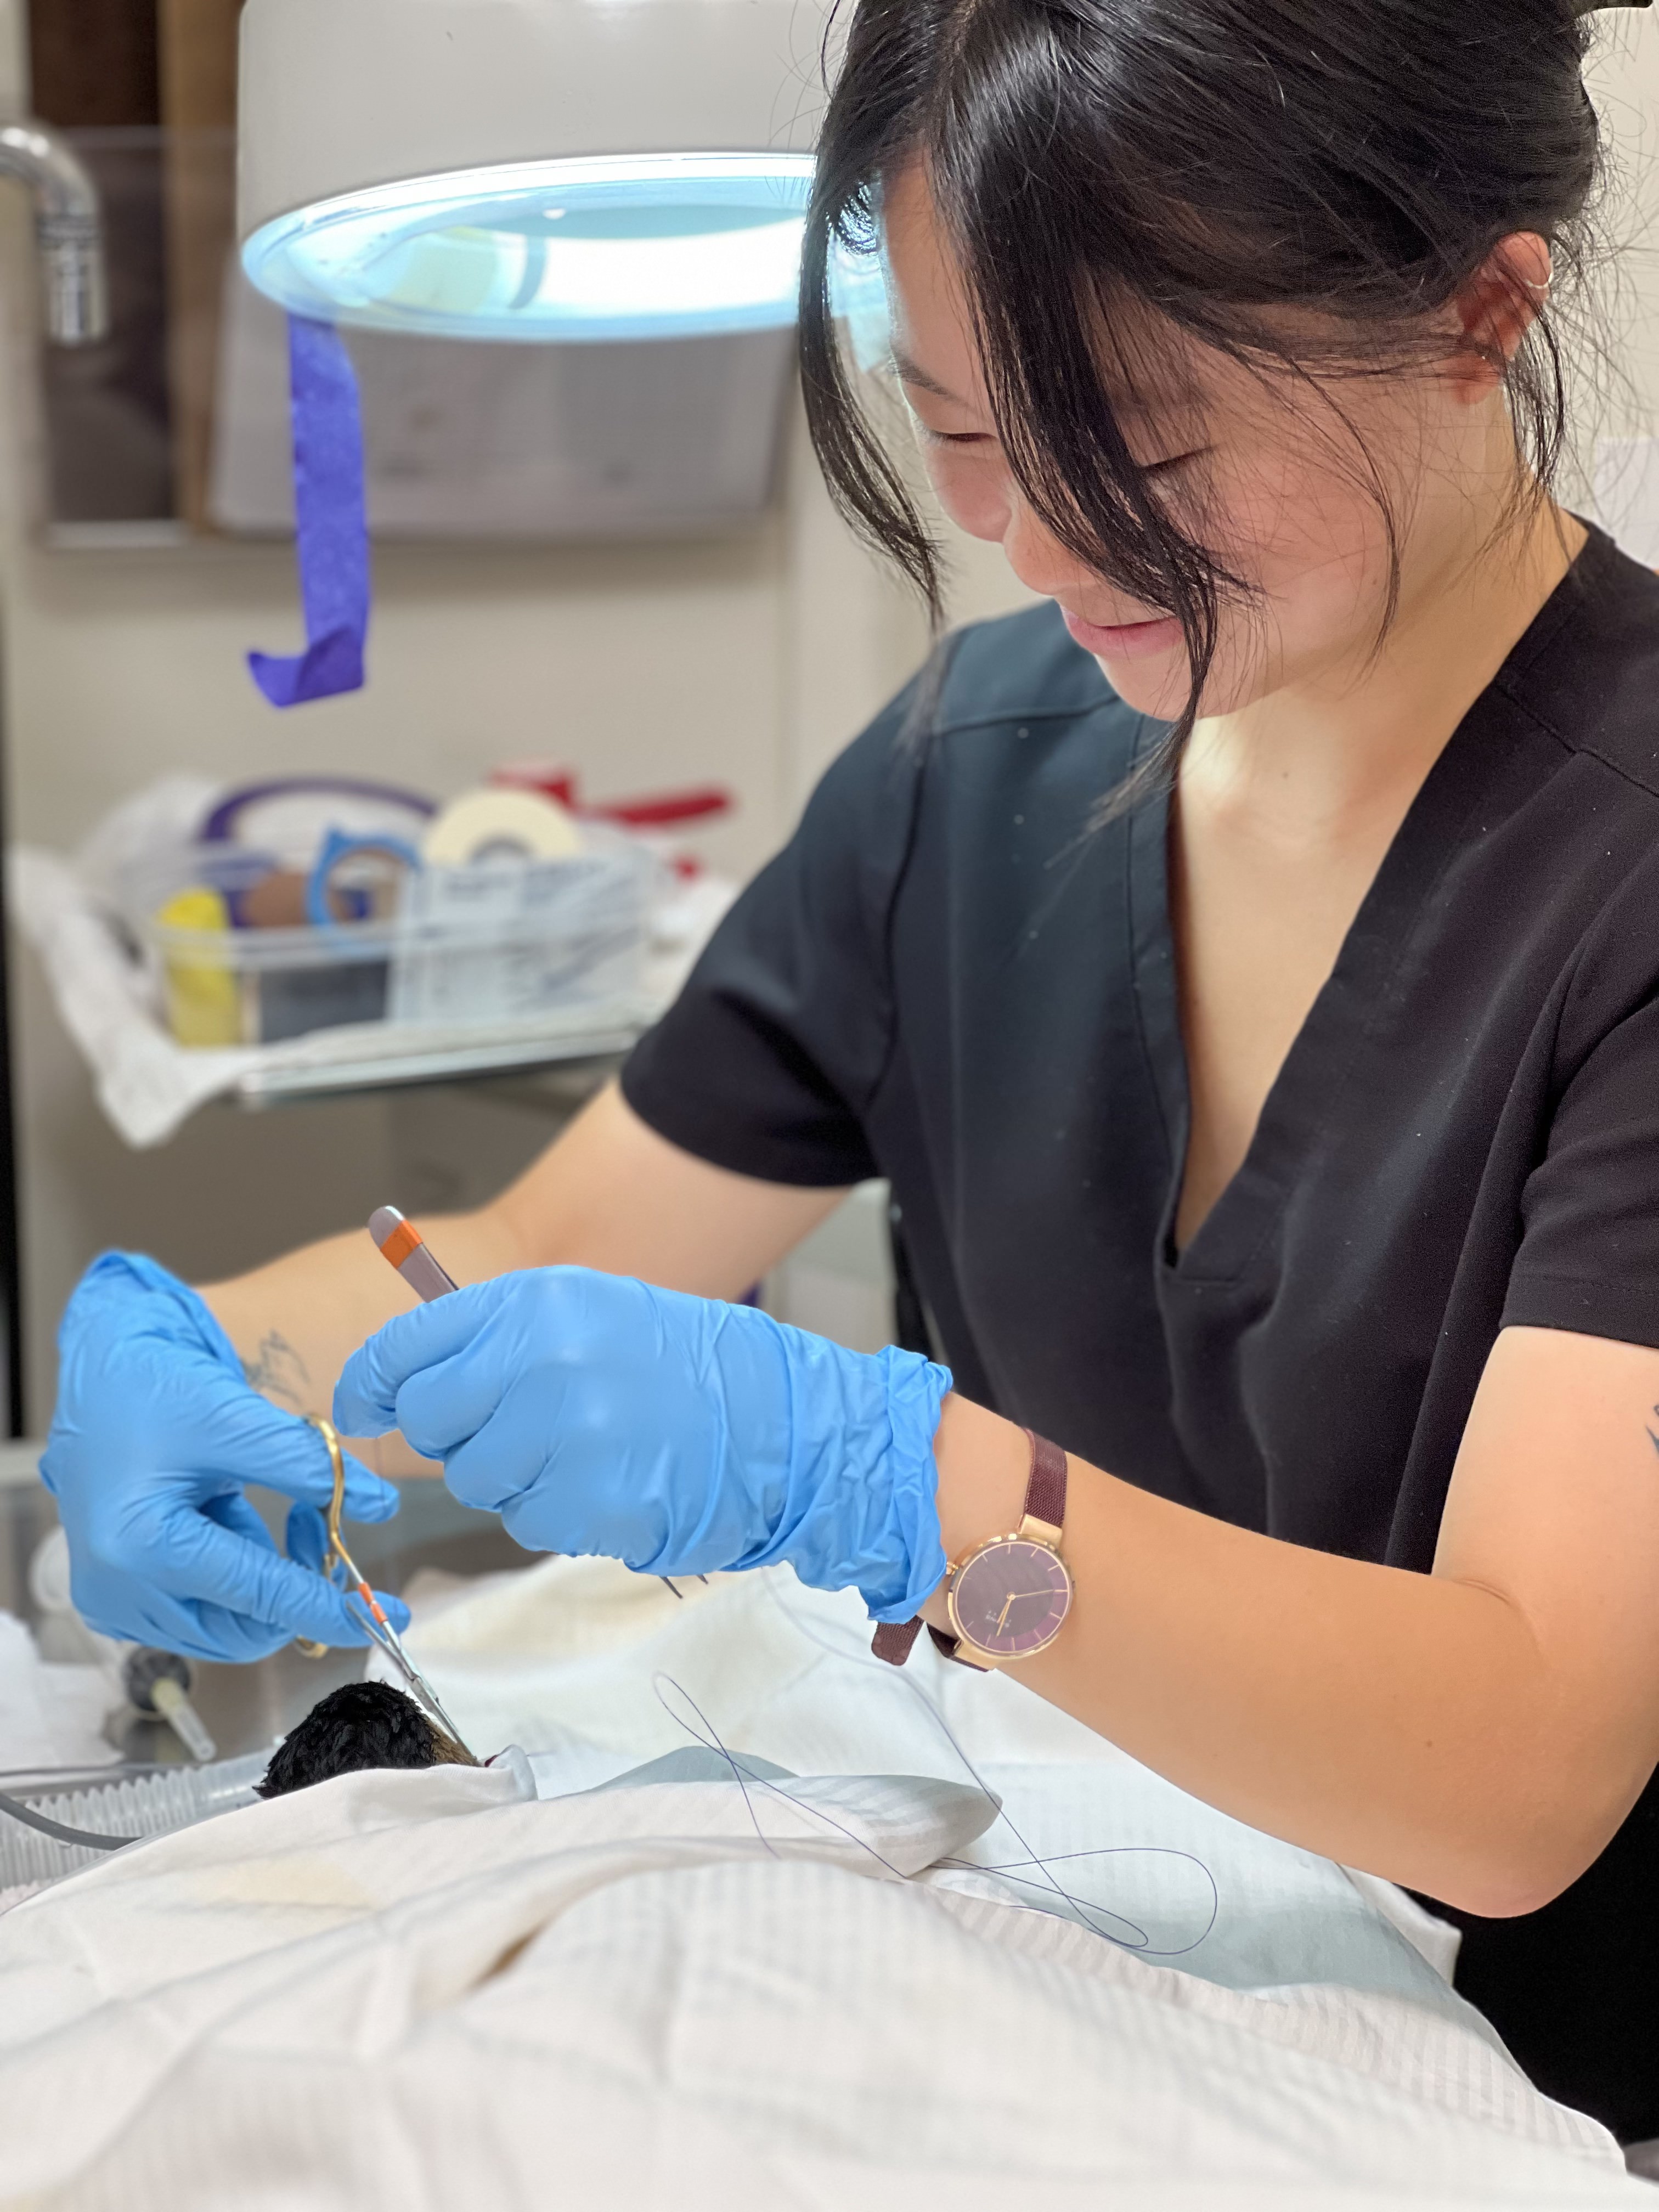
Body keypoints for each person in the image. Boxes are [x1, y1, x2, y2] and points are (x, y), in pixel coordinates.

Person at [37, 0, 1659, 2146]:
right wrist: (194, 1357)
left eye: (1145, 451)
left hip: (1532, 2108)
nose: (1042, 553)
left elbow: (1520, 1760)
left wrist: (905, 1485)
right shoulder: (965, 774)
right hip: (1079, 2011)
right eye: (967, 436)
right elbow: (534, 1244)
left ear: (1480, 316)